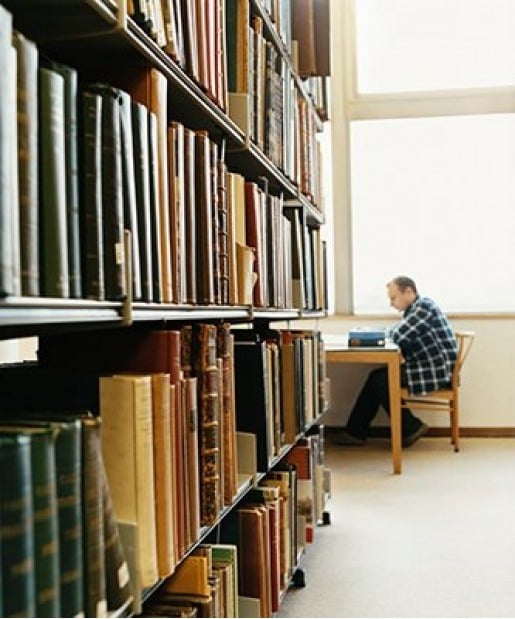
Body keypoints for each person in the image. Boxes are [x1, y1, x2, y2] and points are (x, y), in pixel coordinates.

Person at [336, 276, 458, 447]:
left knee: (379, 379)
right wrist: (387, 332)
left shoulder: (424, 307)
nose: (391, 304)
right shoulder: (415, 309)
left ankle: (406, 427)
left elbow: (399, 335)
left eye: (393, 298)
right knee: (378, 378)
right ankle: (359, 432)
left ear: (408, 292)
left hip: (435, 370)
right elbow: (397, 332)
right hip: (428, 366)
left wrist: (383, 333)